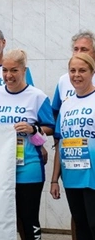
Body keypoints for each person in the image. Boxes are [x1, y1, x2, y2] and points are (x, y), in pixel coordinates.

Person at [0, 50, 54, 240]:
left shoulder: (37, 96)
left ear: (24, 70)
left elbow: (50, 127)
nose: (8, 75)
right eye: (4, 70)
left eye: (14, 70)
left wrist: (32, 128)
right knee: (5, 219)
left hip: (28, 165)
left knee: (28, 217)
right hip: (2, 166)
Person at [51, 53, 95, 239]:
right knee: (81, 226)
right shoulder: (66, 105)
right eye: (72, 70)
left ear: (92, 72)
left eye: (82, 70)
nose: (76, 75)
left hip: (92, 176)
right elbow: (60, 143)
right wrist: (54, 179)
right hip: (71, 175)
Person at [52, 30, 95, 119]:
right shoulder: (64, 80)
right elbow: (55, 113)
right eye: (76, 49)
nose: (78, 53)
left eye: (84, 49)